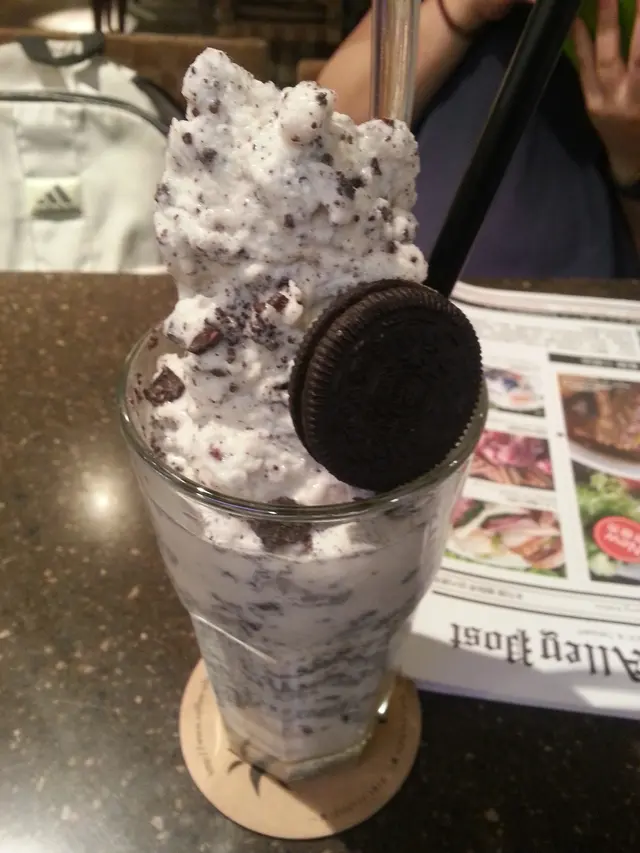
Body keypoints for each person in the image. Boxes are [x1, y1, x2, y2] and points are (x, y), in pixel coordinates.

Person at [318, 0, 640, 278]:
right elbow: (329, 133)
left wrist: (629, 155)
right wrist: (464, 8)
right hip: (404, 290)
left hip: (580, 297)